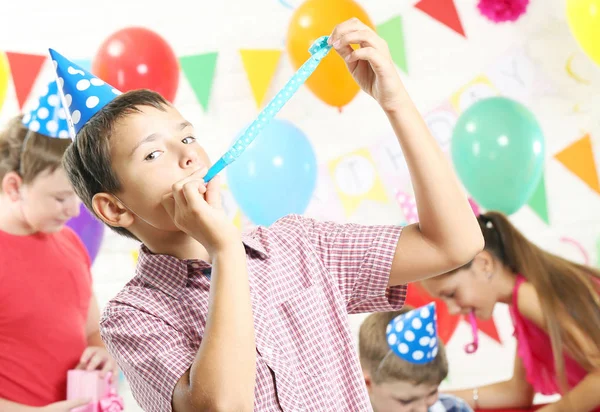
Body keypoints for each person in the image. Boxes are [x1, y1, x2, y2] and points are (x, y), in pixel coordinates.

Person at [51, 18, 483, 411]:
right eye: (152, 152)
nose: (187, 156)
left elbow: (454, 243)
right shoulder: (134, 315)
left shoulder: (300, 244)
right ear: (115, 208)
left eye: (187, 137)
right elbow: (221, 407)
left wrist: (396, 103)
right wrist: (224, 250)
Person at [0, 81, 118, 411]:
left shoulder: (70, 243)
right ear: (14, 187)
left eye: (77, 197)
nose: (74, 210)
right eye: (60, 197)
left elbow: (92, 330)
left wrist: (103, 353)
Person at [423, 211, 600, 412]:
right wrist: (432, 399)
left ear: (483, 264)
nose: (452, 309)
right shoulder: (521, 301)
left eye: (452, 293)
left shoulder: (529, 296)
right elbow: (516, 392)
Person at [359, 304, 473, 412]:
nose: (423, 410)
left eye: (432, 393)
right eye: (407, 401)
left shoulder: (455, 408)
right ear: (367, 383)